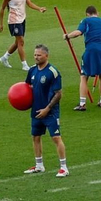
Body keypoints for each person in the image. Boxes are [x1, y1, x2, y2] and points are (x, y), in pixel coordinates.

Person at [24, 44, 68, 177]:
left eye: (39, 55)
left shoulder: (52, 72)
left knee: (56, 137)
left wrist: (47, 109)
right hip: (36, 110)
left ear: (46, 56)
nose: (36, 57)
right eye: (35, 55)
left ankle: (64, 168)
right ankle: (39, 165)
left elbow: (59, 93)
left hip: (50, 112)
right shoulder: (32, 70)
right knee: (35, 137)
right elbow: (27, 88)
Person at [68, 5, 101, 110]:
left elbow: (78, 32)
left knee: (84, 76)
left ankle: (82, 104)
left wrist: (67, 36)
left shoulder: (86, 21)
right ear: (97, 13)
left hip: (91, 50)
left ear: (87, 14)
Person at [0, 0, 46, 71]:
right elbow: (2, 8)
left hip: (22, 19)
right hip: (14, 20)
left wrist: (39, 8)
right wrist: (1, 24)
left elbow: (29, 3)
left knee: (17, 42)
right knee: (21, 42)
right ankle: (25, 65)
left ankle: (4, 58)